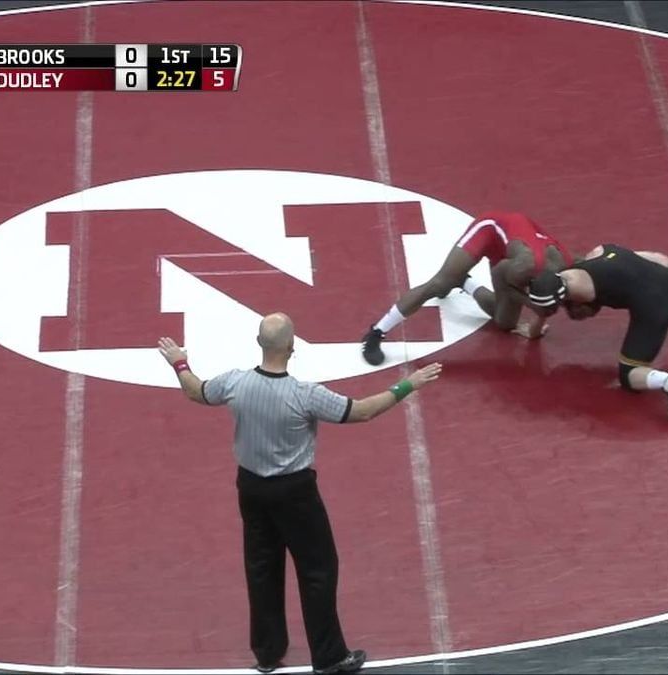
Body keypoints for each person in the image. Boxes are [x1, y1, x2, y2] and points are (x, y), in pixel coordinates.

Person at [157, 315, 443, 674]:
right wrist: (408, 385)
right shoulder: (305, 396)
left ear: (258, 343)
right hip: (295, 494)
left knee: (261, 567)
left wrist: (179, 361)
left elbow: (195, 391)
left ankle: (267, 653)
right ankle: (329, 656)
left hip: (251, 487)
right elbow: (363, 411)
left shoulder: (234, 383)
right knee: (318, 570)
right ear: (292, 349)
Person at [526, 244, 668, 421]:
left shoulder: (582, 292)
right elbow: (662, 260)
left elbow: (580, 312)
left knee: (629, 374)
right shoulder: (600, 251)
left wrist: (536, 325)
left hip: (655, 305)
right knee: (664, 286)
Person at [361, 211, 571, 365]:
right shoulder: (521, 269)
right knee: (439, 283)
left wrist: (538, 310)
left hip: (516, 248)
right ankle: (377, 332)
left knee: (505, 323)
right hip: (491, 230)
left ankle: (464, 281)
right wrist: (533, 305)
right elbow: (505, 279)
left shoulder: (564, 265)